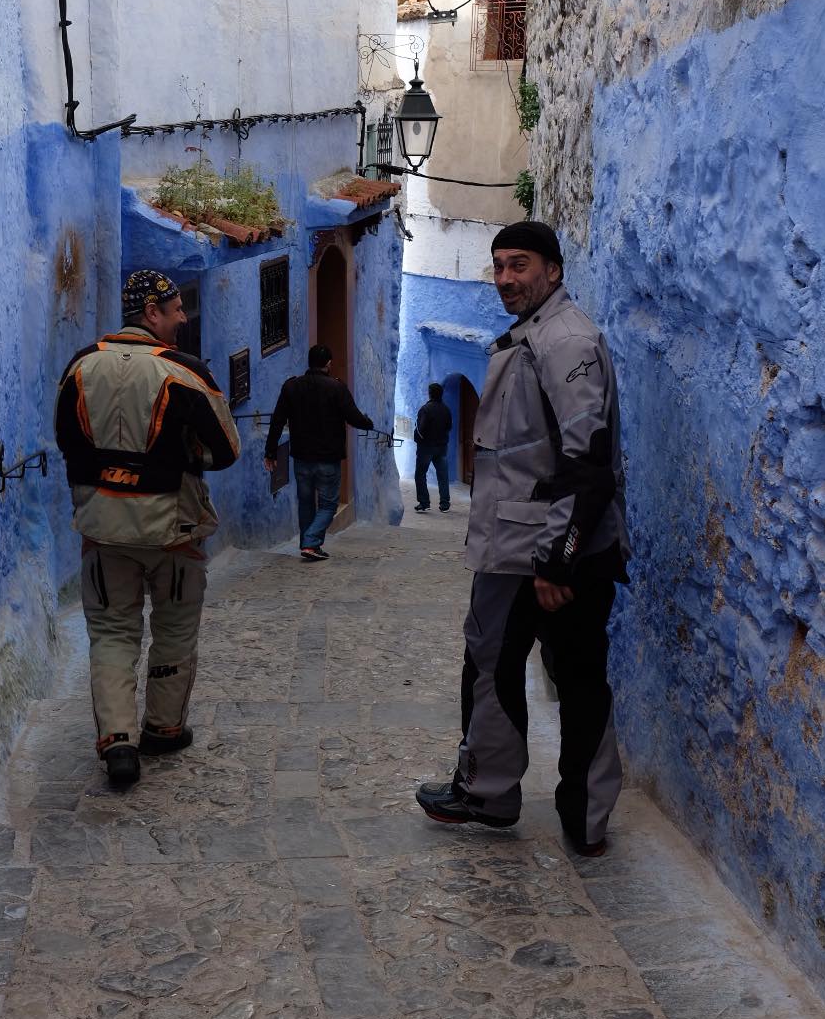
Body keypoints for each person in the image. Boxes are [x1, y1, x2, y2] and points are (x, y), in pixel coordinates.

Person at [415, 220, 629, 857]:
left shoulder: (565, 341)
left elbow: (587, 459)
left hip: (537, 556)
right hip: (536, 548)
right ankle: (569, 815)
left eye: (520, 265)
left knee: (512, 668)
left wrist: (558, 563)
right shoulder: (536, 334)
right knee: (552, 673)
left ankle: (503, 796)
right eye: (499, 266)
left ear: (553, 270)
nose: (505, 278)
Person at [55, 269, 240, 790]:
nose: (183, 319)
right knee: (174, 629)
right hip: (172, 528)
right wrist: (183, 458)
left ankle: (117, 742)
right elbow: (226, 449)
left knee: (112, 633)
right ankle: (163, 727)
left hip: (103, 529)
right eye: (176, 310)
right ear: (151, 313)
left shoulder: (79, 367)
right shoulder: (184, 372)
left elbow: (67, 440)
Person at [264, 343, 374, 561]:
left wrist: (270, 452)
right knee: (329, 504)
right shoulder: (337, 388)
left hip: (301, 456)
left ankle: (309, 544)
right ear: (328, 363)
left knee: (306, 503)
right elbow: (353, 417)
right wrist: (367, 423)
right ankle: (311, 542)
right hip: (328, 458)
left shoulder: (291, 386)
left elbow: (277, 420)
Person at [413, 382, 453, 512]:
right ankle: (445, 504)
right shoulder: (446, 410)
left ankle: (424, 503)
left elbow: (420, 429)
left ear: (429, 393)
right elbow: (449, 427)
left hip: (426, 447)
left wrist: (418, 439)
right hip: (442, 447)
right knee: (443, 475)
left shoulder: (425, 409)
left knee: (420, 474)